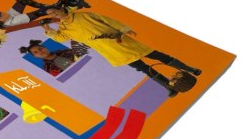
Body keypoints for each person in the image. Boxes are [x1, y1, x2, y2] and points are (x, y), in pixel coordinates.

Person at [40, 7, 201, 97]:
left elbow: (106, 20)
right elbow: (60, 38)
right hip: (112, 51)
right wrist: (47, 29)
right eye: (51, 15)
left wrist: (124, 29)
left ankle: (190, 69)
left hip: (120, 41)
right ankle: (169, 87)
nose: (54, 15)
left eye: (54, 11)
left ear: (61, 9)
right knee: (143, 68)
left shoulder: (82, 16)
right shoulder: (64, 28)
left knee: (158, 56)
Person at [19, 39, 88, 76]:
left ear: (45, 48)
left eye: (40, 49)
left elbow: (83, 54)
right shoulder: (48, 68)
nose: (40, 52)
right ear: (35, 56)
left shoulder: (65, 51)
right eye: (36, 52)